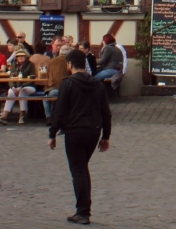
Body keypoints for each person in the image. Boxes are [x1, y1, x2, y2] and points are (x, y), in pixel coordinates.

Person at [48, 51, 112, 226]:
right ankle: (83, 209)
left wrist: (52, 134)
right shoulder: (98, 84)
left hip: (74, 132)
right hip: (93, 132)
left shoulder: (68, 83)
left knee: (78, 170)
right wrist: (106, 136)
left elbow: (59, 111)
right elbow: (106, 112)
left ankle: (83, 212)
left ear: (69, 65)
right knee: (82, 168)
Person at [0, 50, 39, 123]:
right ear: (16, 57)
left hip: (28, 86)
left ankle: (22, 115)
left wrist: (21, 86)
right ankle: (5, 115)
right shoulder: (14, 65)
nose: (20, 57)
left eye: (22, 56)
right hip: (16, 86)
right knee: (11, 92)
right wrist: (13, 87)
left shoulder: (31, 64)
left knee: (22, 91)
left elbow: (32, 78)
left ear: (26, 57)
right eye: (18, 56)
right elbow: (11, 78)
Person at [44, 43, 73, 119]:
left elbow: (48, 75)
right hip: (67, 89)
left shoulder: (52, 61)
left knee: (45, 98)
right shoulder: (70, 62)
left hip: (53, 89)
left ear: (60, 52)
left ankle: (49, 117)